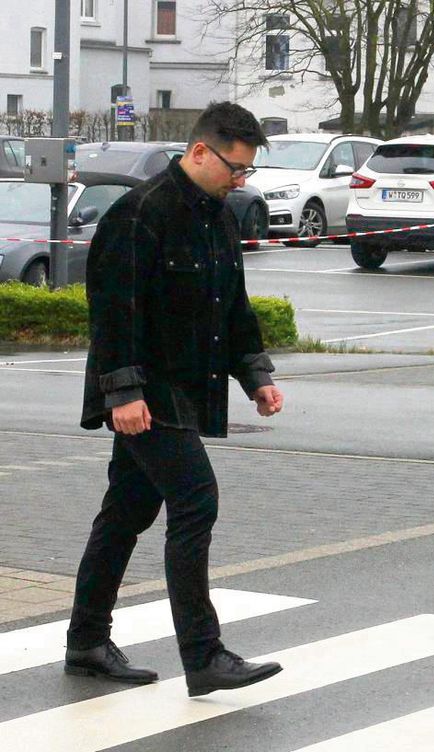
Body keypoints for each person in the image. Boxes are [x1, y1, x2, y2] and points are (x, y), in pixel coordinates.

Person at [66, 101, 285, 698]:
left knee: (126, 513)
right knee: (196, 501)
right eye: (234, 168)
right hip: (147, 393)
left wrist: (255, 374)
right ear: (198, 151)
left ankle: (86, 641)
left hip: (185, 390)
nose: (240, 181)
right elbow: (113, 313)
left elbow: (231, 307)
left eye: (246, 172)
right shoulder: (139, 215)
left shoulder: (218, 217)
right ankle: (204, 654)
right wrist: (124, 391)